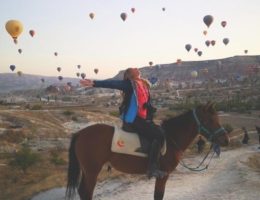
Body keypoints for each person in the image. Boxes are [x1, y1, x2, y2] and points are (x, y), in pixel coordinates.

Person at [80, 68, 167, 179]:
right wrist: (94, 83)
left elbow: (145, 101)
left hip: (144, 118)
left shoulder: (143, 84)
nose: (137, 69)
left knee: (161, 131)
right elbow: (113, 83)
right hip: (134, 119)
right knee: (158, 135)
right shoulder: (130, 84)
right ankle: (152, 168)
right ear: (131, 74)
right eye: (134, 69)